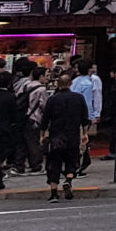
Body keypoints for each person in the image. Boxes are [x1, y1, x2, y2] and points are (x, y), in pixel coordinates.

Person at [41, 74, 88, 203]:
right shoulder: (78, 98)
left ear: (58, 84)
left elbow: (45, 119)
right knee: (72, 160)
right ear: (71, 83)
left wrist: (42, 134)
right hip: (72, 135)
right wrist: (84, 133)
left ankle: (54, 193)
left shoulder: (52, 99)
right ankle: (68, 180)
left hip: (56, 135)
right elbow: (85, 118)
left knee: (53, 163)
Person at [12, 61, 46, 175]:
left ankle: (19, 165)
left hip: (23, 118)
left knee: (22, 142)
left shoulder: (26, 85)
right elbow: (44, 105)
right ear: (41, 76)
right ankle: (36, 165)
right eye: (46, 75)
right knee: (33, 143)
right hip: (34, 118)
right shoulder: (41, 89)